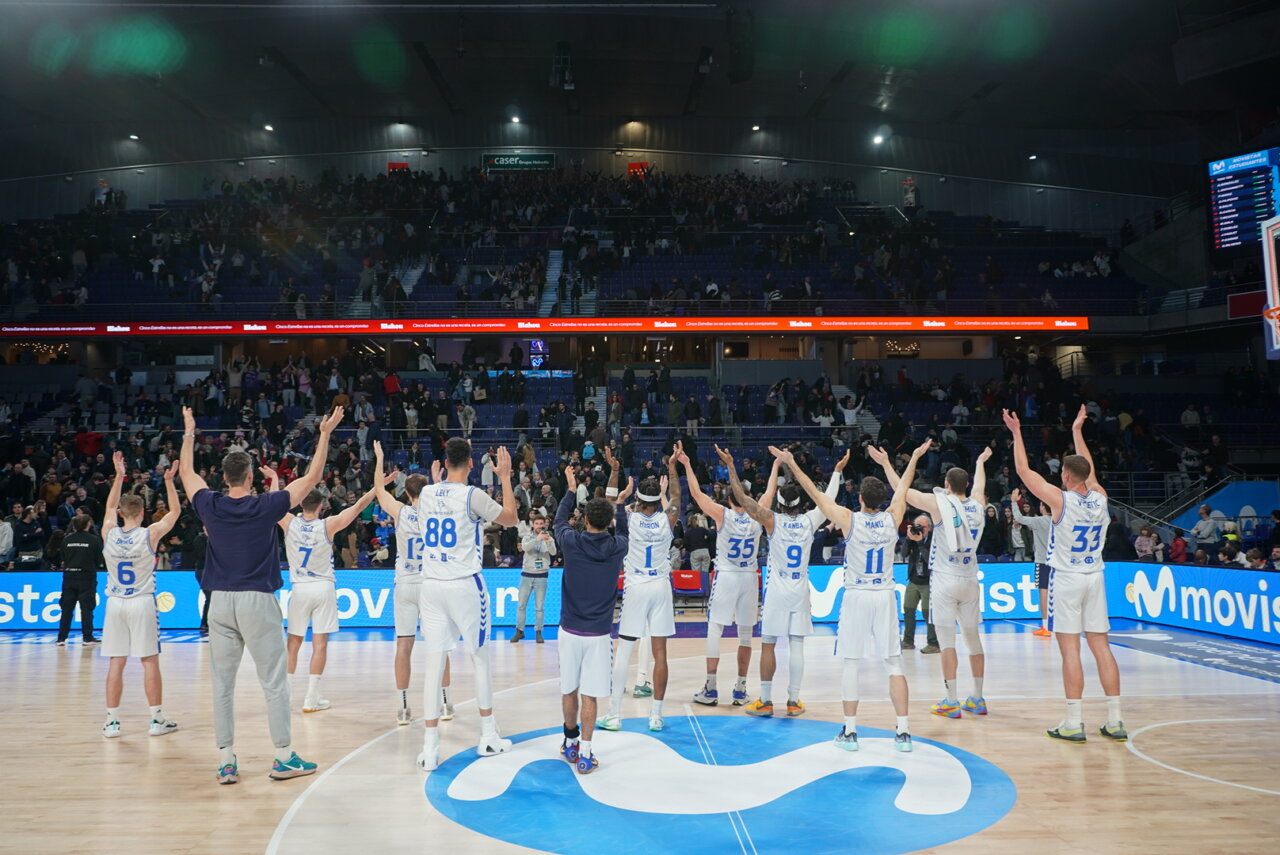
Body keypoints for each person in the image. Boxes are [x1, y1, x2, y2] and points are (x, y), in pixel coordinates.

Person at [180, 405, 344, 784]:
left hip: (218, 600)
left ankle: (225, 761)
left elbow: (187, 473)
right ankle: (283, 757)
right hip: (256, 599)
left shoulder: (210, 504)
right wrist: (323, 433)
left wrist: (189, 431)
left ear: (223, 477)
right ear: (251, 476)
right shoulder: (266, 505)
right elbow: (313, 476)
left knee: (222, 684)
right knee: (274, 681)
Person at [773, 441, 928, 752]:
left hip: (857, 596)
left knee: (851, 664)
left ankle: (850, 731)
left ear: (859, 498)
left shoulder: (848, 519)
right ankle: (903, 732)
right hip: (884, 596)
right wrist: (909, 458)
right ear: (882, 500)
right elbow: (905, 485)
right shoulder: (893, 517)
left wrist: (791, 462)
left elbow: (814, 493)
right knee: (894, 665)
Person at [1005, 404, 1125, 743]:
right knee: (1102, 647)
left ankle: (1074, 721)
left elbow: (1023, 470)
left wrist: (1016, 433)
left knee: (1070, 650)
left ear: (1066, 476)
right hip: (1094, 576)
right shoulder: (1100, 497)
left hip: (1066, 578)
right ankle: (1115, 720)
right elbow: (1091, 472)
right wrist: (1077, 431)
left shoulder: (1059, 500)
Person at [415, 437, 518, 773]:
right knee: (479, 658)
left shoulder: (428, 492)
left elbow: (438, 496)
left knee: (434, 664)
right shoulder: (473, 495)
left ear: (444, 463)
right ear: (473, 463)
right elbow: (511, 519)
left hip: (430, 586)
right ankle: (488, 735)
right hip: (463, 584)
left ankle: (430, 748)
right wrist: (504, 476)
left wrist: (436, 480)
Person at [871, 444, 992, 719]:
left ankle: (951, 700)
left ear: (947, 485)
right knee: (974, 641)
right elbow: (979, 488)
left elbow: (902, 490)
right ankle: (978, 698)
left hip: (945, 579)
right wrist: (982, 461)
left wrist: (887, 464)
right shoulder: (978, 505)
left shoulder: (940, 504)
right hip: (970, 578)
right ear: (967, 485)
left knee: (947, 643)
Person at [730, 447, 844, 718]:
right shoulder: (810, 520)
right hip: (800, 589)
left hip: (778, 590)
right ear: (799, 504)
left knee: (768, 643)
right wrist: (837, 472)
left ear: (779, 503)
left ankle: (766, 701)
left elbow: (742, 499)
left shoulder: (771, 521)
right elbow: (828, 499)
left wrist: (731, 468)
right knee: (797, 645)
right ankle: (793, 701)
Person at [273, 468, 379, 714]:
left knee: (293, 643)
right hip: (323, 587)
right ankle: (311, 697)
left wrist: (272, 481)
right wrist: (377, 488)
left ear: (300, 503)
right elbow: (356, 507)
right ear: (321, 506)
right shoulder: (327, 525)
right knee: (320, 643)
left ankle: (285, 694)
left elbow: (273, 504)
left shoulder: (289, 522)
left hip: (299, 588)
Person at [554, 454, 631, 775]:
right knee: (591, 695)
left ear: (585, 520)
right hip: (598, 634)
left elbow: (558, 520)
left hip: (569, 631)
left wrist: (571, 490)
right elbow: (624, 532)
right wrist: (622, 505)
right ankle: (586, 752)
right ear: (609, 522)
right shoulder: (617, 547)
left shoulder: (570, 542)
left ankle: (569, 742)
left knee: (569, 688)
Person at [597, 446, 682, 733]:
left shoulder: (628, 519)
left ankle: (614, 714)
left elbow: (609, 500)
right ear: (657, 501)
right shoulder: (667, 518)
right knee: (660, 654)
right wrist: (672, 466)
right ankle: (656, 716)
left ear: (636, 499)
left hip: (636, 586)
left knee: (625, 652)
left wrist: (616, 470)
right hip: (660, 587)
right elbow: (678, 498)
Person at [99, 451, 181, 739]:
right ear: (143, 512)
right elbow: (174, 513)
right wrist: (169, 482)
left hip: (115, 603)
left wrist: (119, 476)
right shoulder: (150, 534)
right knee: (149, 661)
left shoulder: (109, 531)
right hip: (142, 602)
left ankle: (111, 722)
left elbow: (109, 507)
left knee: (116, 662)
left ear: (121, 513)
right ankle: (156, 719)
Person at [371, 445, 454, 725]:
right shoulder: (436, 513)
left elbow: (379, 493)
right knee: (439, 646)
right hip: (431, 583)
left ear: (406, 493)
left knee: (403, 647)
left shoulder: (400, 512)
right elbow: (448, 496)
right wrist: (437, 481)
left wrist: (381, 460)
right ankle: (445, 703)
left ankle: (403, 708)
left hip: (405, 583)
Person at [684, 446, 761, 707]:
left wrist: (686, 463)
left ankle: (711, 687)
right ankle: (740, 690)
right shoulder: (758, 514)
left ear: (728, 500)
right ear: (749, 500)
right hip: (749, 577)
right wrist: (774, 468)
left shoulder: (723, 514)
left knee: (715, 630)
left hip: (727, 576)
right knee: (746, 636)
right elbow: (771, 491)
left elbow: (696, 493)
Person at [1011, 488, 1054, 638]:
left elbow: (1018, 518)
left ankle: (1046, 625)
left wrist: (1014, 502)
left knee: (1044, 592)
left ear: (1043, 508)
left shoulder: (1039, 521)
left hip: (1043, 561)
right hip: (1059, 562)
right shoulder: (1059, 521)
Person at [511, 511, 558, 643]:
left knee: (539, 607)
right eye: (536, 523)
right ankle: (519, 631)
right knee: (521, 605)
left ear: (545, 525)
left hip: (542, 576)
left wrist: (548, 541)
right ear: (533, 525)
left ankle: (539, 632)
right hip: (527, 575)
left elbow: (553, 552)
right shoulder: (527, 537)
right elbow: (525, 548)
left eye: (541, 524)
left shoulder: (549, 538)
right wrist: (537, 539)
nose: (539, 526)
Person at [57, 514, 103, 645]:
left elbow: (63, 557)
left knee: (66, 610)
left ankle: (61, 638)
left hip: (69, 577)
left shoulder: (66, 539)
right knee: (87, 609)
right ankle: (87, 637)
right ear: (88, 524)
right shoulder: (95, 540)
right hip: (87, 577)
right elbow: (99, 560)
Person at [901, 514, 939, 653]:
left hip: (929, 582)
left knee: (927, 613)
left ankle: (933, 644)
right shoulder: (912, 538)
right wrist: (908, 538)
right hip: (913, 580)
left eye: (923, 527)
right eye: (918, 526)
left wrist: (920, 542)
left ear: (929, 528)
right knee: (908, 610)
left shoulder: (935, 540)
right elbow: (904, 554)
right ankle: (908, 641)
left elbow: (931, 560)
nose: (920, 530)